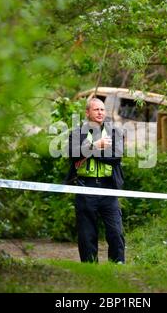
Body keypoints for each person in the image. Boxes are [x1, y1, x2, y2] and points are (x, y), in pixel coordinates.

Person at [64, 97, 125, 263]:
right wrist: (96, 145)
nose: (100, 113)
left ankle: (118, 263)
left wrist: (88, 152)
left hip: (108, 188)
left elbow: (116, 157)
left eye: (102, 109)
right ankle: (89, 265)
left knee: (115, 230)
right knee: (86, 232)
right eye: (96, 109)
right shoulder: (77, 133)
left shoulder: (115, 132)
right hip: (85, 187)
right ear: (87, 112)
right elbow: (72, 155)